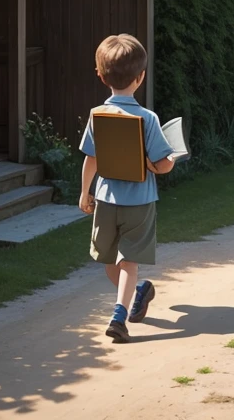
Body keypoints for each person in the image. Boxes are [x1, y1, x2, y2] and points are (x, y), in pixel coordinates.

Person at [79, 33, 175, 343]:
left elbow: (91, 159)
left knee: (124, 261)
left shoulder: (98, 115)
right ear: (141, 77)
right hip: (131, 201)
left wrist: (85, 191)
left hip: (113, 200)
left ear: (100, 75)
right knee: (113, 262)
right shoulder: (148, 118)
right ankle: (140, 290)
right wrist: (169, 161)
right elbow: (162, 163)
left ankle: (119, 316)